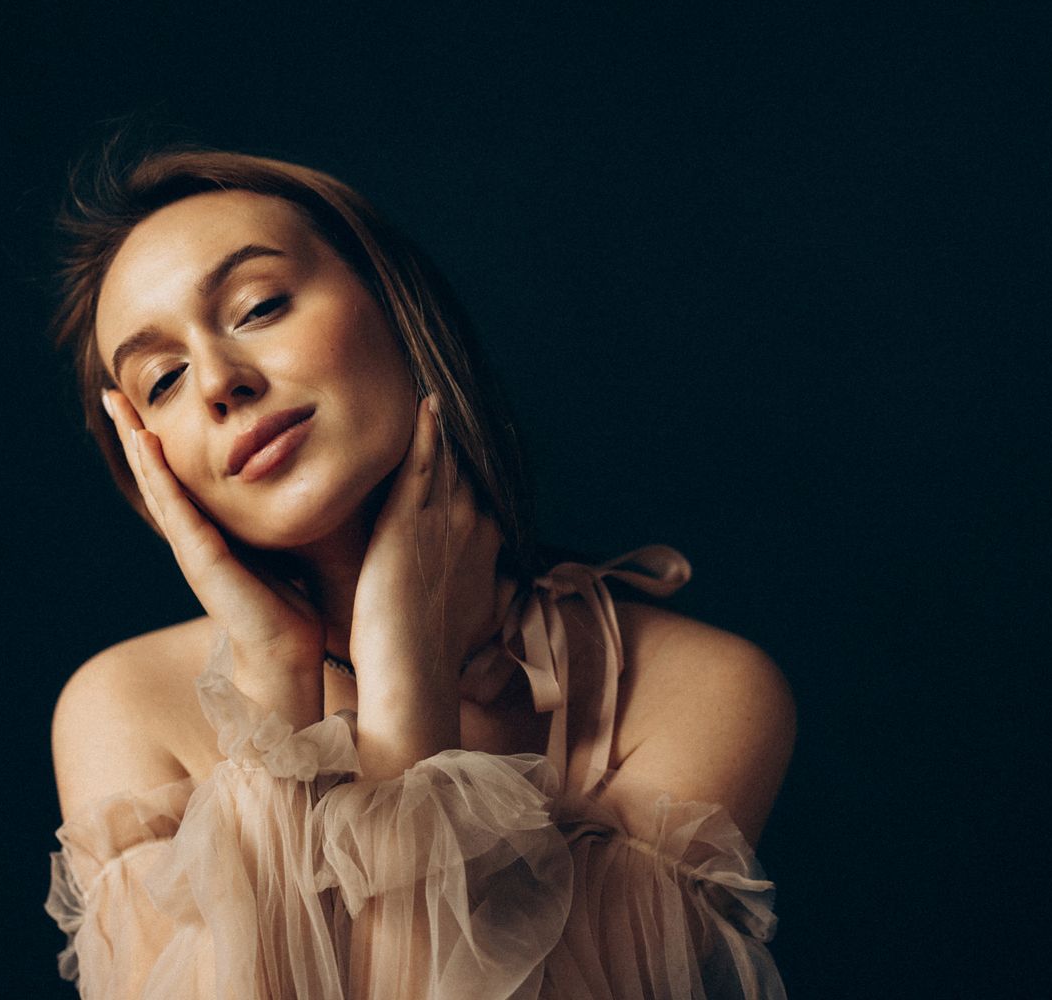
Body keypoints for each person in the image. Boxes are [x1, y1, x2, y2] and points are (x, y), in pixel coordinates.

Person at [43, 145, 796, 999]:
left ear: (397, 309)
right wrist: (271, 681)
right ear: (150, 461)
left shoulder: (695, 691)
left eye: (260, 306)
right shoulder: (126, 707)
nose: (219, 381)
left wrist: (408, 682)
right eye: (164, 379)